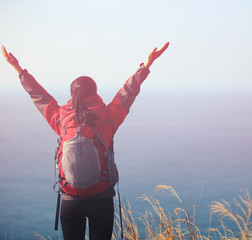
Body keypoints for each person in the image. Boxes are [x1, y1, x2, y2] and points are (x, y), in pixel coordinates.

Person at [1, 42, 169, 240]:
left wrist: (18, 69)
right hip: (101, 198)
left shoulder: (60, 119)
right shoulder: (107, 117)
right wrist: (147, 64)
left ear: (72, 94)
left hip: (70, 200)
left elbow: (39, 96)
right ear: (95, 93)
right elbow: (128, 92)